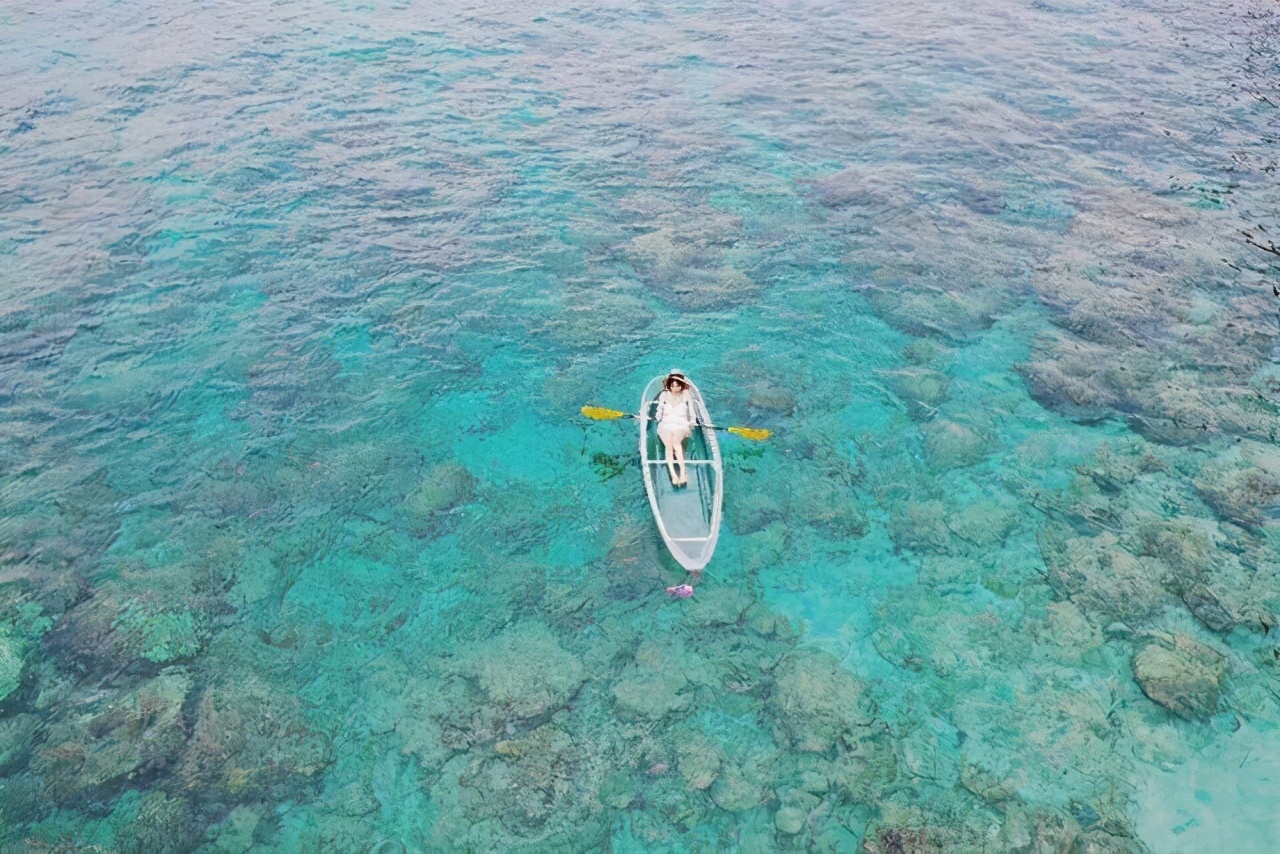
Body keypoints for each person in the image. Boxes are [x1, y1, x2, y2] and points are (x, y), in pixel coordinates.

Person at [655, 371, 696, 486]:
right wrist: (657, 417)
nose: (675, 388)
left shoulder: (686, 394)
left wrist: (692, 421)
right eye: (672, 386)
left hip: (681, 425)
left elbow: (691, 411)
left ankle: (683, 473)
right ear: (669, 386)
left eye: (677, 386)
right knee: (669, 445)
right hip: (666, 424)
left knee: (676, 442)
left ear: (681, 385)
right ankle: (673, 475)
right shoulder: (664, 395)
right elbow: (660, 410)